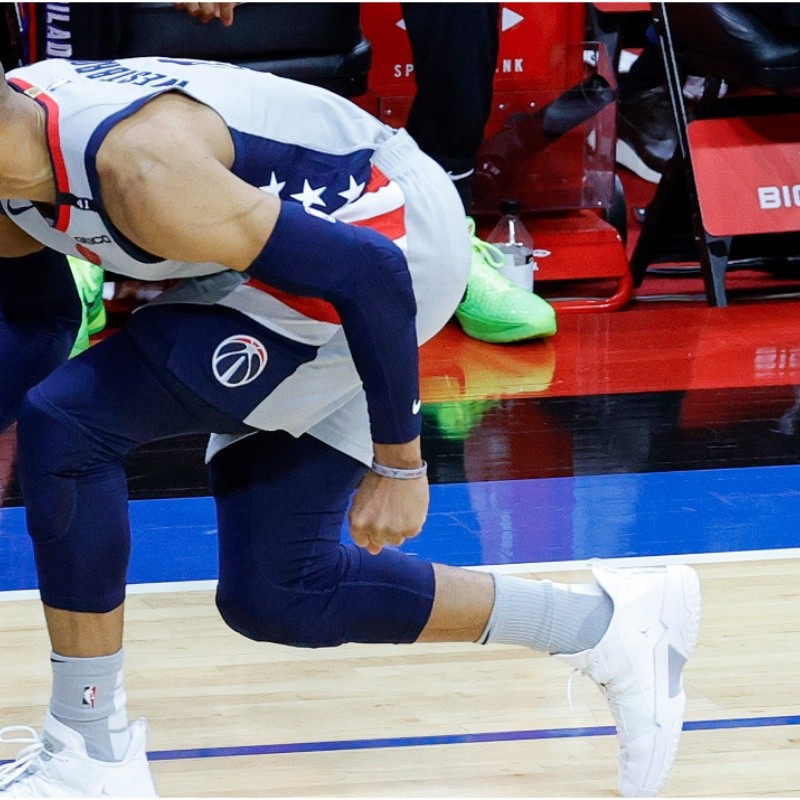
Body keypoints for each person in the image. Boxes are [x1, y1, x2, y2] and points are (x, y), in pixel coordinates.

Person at [0, 55, 699, 797]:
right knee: (278, 590)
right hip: (276, 256)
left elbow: (369, 274)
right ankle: (609, 626)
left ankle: (92, 749)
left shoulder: (140, 167)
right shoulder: (17, 161)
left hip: (391, 243)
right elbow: (36, 316)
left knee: (69, 426)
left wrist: (401, 465)